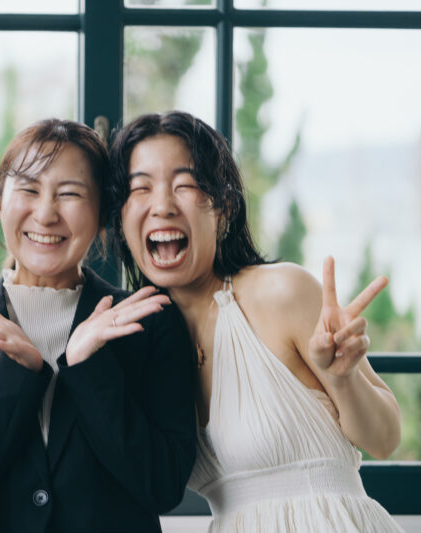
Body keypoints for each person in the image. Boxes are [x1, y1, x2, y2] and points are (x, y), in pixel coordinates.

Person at [109, 110, 403, 531]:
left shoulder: (281, 291)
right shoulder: (143, 341)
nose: (162, 206)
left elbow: (385, 440)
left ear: (224, 206)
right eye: (141, 188)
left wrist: (343, 379)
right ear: (120, 219)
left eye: (185, 185)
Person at [0, 118, 196, 533]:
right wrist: (18, 375)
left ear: (102, 215)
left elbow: (164, 486)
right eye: (29, 189)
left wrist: (87, 367)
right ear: (0, 203)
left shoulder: (150, 322)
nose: (46, 214)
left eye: (70, 194)